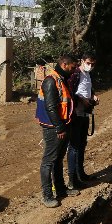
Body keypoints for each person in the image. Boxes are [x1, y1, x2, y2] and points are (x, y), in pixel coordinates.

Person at [35, 55, 80, 208]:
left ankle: (61, 190)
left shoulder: (62, 79)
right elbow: (50, 107)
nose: (74, 70)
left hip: (62, 124)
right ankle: (47, 195)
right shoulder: (50, 81)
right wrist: (59, 127)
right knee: (49, 161)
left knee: (58, 159)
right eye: (72, 67)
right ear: (64, 64)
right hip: (53, 127)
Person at [67, 53, 99, 188]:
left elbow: (87, 90)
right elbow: (70, 93)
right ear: (82, 61)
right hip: (76, 114)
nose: (90, 66)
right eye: (88, 63)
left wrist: (93, 97)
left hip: (85, 113)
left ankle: (81, 174)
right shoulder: (75, 74)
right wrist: (83, 100)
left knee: (82, 145)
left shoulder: (87, 75)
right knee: (74, 147)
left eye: (92, 64)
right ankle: (72, 181)